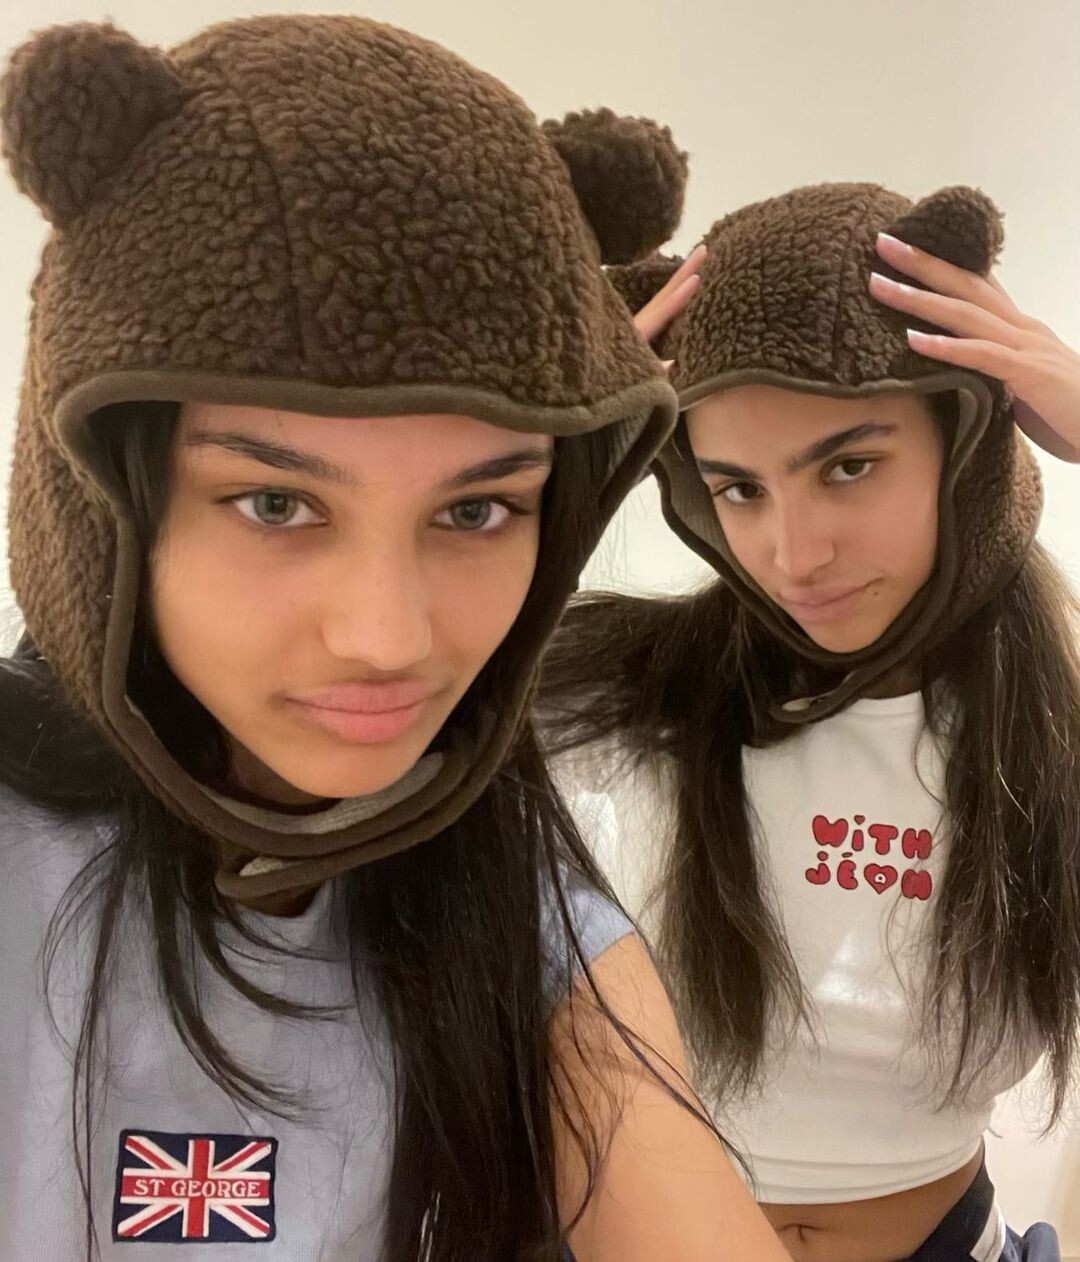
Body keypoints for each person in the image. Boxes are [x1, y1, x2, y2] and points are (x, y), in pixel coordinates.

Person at [0, 16, 791, 1261]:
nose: (386, 636)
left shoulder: (496, 863)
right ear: (101, 506)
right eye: (276, 503)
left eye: (476, 509)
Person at [543, 181, 1079, 1261]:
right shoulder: (611, 694)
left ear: (967, 445)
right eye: (739, 489)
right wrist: (536, 479)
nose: (794, 554)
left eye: (848, 465)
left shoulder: (1052, 734)